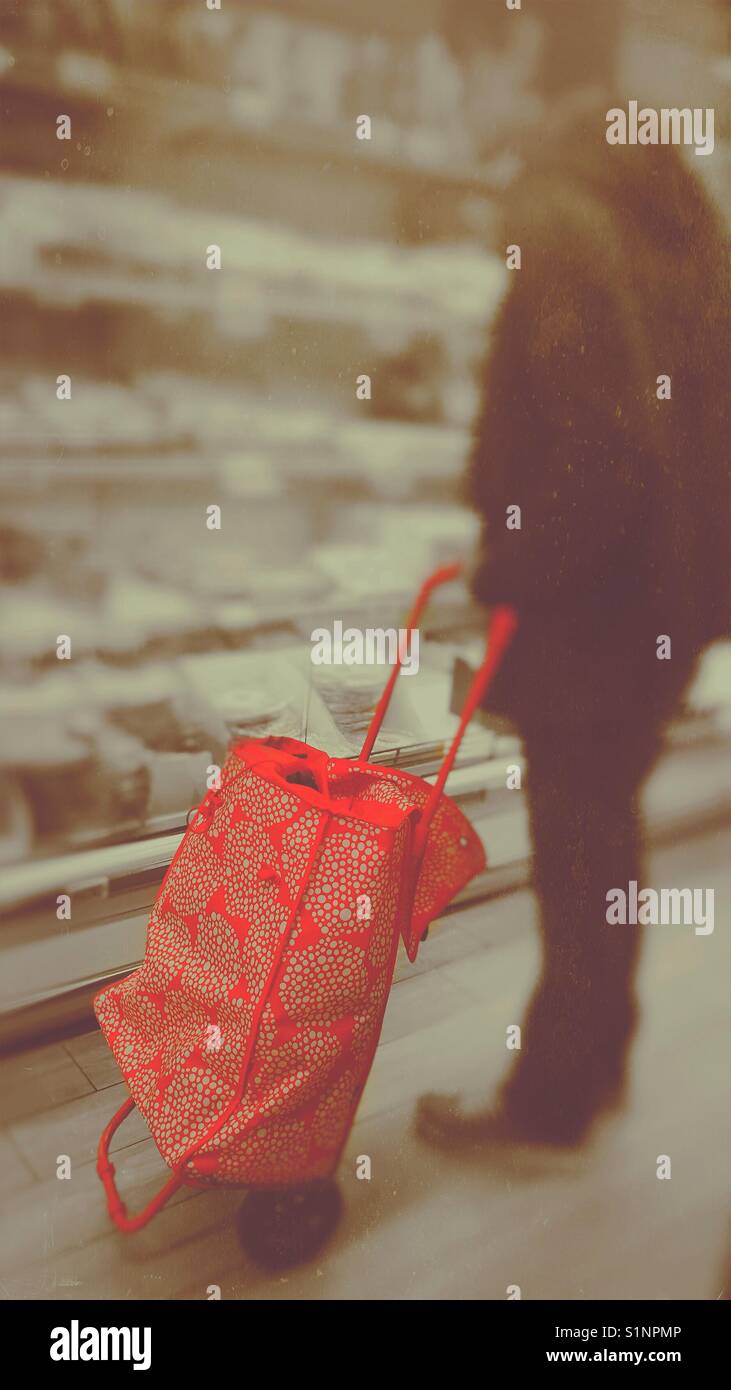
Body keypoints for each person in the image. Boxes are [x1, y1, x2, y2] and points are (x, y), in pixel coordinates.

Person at [418, 0, 729, 1146]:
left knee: (575, 856)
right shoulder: (666, 194)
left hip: (593, 615)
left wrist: (502, 561)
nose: (460, 101)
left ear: (512, 50)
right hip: (665, 602)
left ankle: (548, 1103)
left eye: (462, 70)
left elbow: (604, 450)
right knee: (607, 848)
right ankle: (591, 1066)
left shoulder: (555, 204)